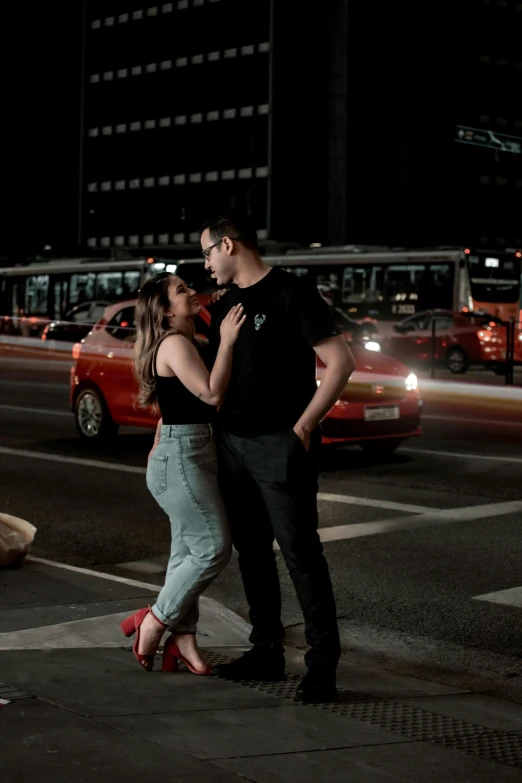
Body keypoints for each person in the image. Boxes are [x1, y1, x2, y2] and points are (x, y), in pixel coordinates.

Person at [202, 213, 356, 702]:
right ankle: (266, 651)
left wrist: (304, 426)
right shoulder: (224, 303)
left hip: (278, 444)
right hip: (232, 443)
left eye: (208, 251)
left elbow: (341, 362)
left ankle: (321, 667)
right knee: (252, 554)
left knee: (300, 555)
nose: (205, 262)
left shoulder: (293, 292)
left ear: (229, 245)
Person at [120, 272, 245, 673]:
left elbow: (175, 410)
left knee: (186, 555)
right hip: (184, 457)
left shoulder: (187, 341)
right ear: (165, 310)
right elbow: (210, 393)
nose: (191, 291)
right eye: (180, 290)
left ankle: (183, 641)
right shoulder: (174, 344)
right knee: (213, 548)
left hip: (187, 453)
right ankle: (154, 621)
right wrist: (227, 339)